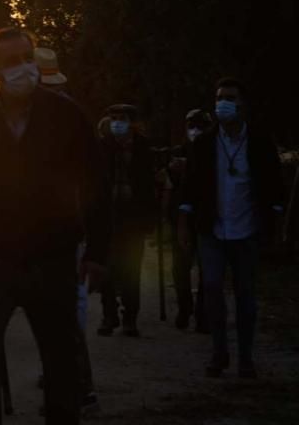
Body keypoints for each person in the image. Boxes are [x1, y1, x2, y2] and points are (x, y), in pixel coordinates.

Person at [0, 27, 108, 425]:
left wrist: (99, 252)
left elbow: (95, 183)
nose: (24, 69)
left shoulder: (65, 114)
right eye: (12, 62)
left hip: (52, 260)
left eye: (27, 58)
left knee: (60, 361)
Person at [178, 78, 284, 379]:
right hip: (212, 230)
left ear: (243, 104)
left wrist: (273, 226)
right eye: (219, 97)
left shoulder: (260, 141)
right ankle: (219, 351)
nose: (223, 103)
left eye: (230, 97)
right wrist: (184, 225)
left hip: (247, 229)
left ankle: (246, 357)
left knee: (246, 295)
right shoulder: (204, 143)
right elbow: (190, 189)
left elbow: (274, 185)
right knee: (211, 289)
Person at [96, 104, 156, 338]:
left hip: (133, 216)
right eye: (113, 118)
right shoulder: (102, 146)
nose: (116, 122)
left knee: (131, 267)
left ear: (131, 122)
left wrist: (149, 218)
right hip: (107, 216)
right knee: (107, 268)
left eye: (121, 118)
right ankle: (108, 314)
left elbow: (149, 185)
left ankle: (130, 317)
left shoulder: (142, 148)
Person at [164, 109, 212, 331]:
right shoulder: (178, 151)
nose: (195, 130)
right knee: (180, 266)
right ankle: (185, 308)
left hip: (205, 215)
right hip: (180, 217)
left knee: (207, 267)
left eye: (200, 125)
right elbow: (169, 184)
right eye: (192, 125)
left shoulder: (214, 151)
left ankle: (204, 313)